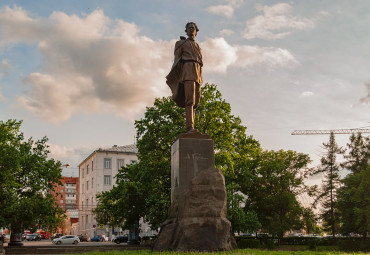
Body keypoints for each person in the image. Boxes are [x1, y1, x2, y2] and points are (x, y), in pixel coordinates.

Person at [166, 22, 203, 132]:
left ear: (196, 31)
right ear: (186, 31)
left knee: (196, 103)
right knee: (190, 100)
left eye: (193, 28)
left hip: (198, 72)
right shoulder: (180, 43)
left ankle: (193, 127)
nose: (191, 29)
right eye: (189, 28)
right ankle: (190, 127)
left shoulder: (198, 47)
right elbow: (177, 61)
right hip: (187, 71)